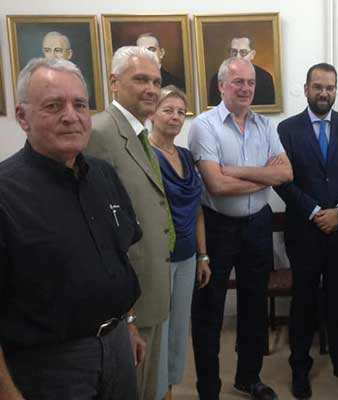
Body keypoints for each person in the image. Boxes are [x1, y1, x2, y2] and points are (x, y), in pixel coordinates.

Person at [0, 57, 141, 399]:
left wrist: (129, 324)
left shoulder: (104, 175)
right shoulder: (5, 193)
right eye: (53, 105)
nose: (71, 116)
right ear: (23, 117)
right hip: (51, 364)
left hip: (118, 347)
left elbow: (119, 257)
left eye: (80, 105)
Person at [188, 57, 292, 400]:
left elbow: (285, 174)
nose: (246, 88)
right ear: (222, 86)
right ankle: (209, 390)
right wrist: (263, 177)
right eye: (238, 82)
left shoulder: (266, 125)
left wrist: (233, 171)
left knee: (254, 305)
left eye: (250, 82)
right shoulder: (204, 126)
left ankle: (248, 378)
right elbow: (216, 186)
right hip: (217, 227)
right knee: (209, 311)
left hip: (257, 224)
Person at [275, 63, 338, 398]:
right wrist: (316, 212)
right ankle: (299, 368)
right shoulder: (286, 129)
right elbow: (282, 181)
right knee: (303, 302)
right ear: (306, 89)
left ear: (335, 90)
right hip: (305, 230)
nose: (324, 93)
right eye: (318, 87)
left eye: (330, 87)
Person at [86, 46, 171, 400]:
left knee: (148, 385)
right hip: (130, 294)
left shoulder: (138, 132)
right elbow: (97, 226)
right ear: (114, 82)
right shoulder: (101, 132)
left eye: (156, 81)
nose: (151, 89)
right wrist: (127, 312)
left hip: (151, 282)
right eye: (141, 80)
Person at [148, 85, 211, 398]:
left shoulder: (186, 156)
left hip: (187, 256)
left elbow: (197, 208)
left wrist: (203, 256)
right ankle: (157, 390)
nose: (175, 117)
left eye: (180, 112)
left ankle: (170, 387)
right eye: (167, 110)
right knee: (159, 330)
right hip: (159, 258)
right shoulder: (145, 155)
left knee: (178, 330)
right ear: (152, 114)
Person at [208, 36, 275, 106]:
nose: (238, 57)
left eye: (243, 52)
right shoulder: (217, 78)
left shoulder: (265, 78)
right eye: (234, 52)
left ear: (252, 54)